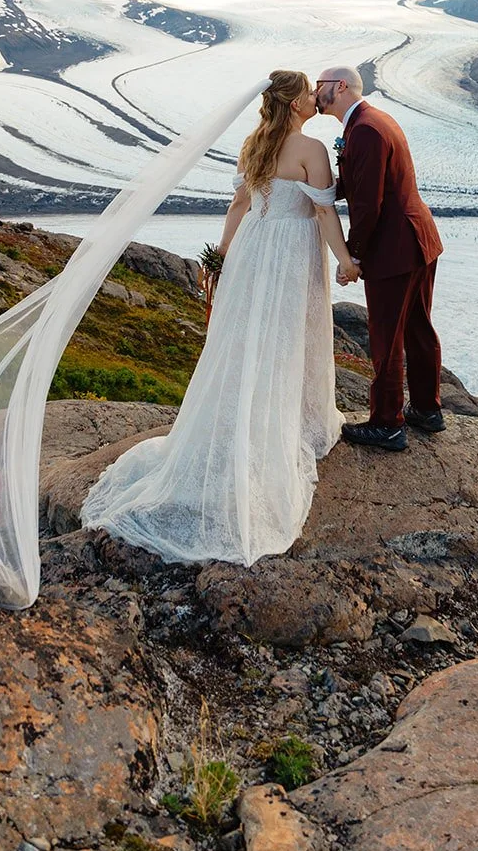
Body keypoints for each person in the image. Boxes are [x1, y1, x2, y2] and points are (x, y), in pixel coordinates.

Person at [80, 70, 359, 566]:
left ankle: (239, 420)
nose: (315, 97)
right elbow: (321, 213)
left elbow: (239, 203)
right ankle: (288, 421)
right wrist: (345, 259)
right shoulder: (310, 150)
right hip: (292, 250)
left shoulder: (253, 144)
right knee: (284, 337)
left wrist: (224, 255)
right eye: (307, 94)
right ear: (295, 104)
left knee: (247, 336)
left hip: (254, 247)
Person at [315, 66, 444, 452]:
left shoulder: (366, 129)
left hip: (395, 249)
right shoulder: (375, 121)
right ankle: (426, 409)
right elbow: (366, 183)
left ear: (338, 87)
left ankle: (388, 423)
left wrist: (353, 254)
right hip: (418, 240)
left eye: (318, 85)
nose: (313, 90)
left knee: (386, 336)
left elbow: (370, 203)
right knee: (418, 327)